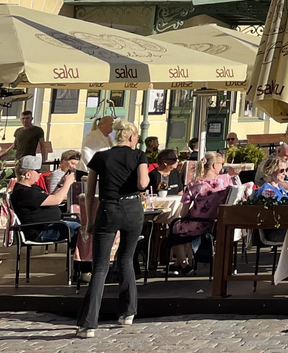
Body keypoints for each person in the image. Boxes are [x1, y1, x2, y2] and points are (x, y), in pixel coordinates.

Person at [77, 120, 150, 337]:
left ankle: (88, 324)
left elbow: (90, 193)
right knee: (126, 258)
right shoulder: (138, 155)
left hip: (108, 208)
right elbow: (143, 184)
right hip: (131, 208)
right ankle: (127, 312)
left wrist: (89, 222)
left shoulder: (100, 157)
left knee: (100, 267)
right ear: (131, 137)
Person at [167, 151, 235, 271]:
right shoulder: (226, 181)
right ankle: (179, 263)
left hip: (199, 223)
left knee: (174, 227)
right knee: (182, 227)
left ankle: (184, 264)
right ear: (214, 165)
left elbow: (183, 213)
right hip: (215, 223)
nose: (222, 166)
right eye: (221, 163)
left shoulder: (194, 184)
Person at [9, 155, 79, 243]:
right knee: (80, 228)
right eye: (38, 171)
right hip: (41, 231)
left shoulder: (33, 188)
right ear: (28, 174)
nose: (40, 174)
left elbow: (50, 199)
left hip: (51, 225)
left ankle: (78, 253)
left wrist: (60, 185)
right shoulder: (24, 193)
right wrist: (68, 183)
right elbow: (57, 200)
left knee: (84, 224)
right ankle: (81, 255)